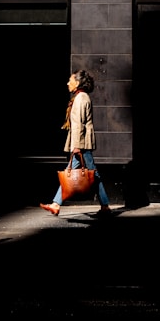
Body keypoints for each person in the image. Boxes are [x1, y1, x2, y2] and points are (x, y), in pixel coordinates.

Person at [40, 69, 112, 217]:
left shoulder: (80, 99)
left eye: (70, 80)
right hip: (82, 143)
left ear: (77, 83)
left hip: (82, 144)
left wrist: (77, 146)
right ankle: (57, 204)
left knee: (91, 174)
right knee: (87, 173)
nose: (68, 83)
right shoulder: (81, 97)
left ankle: (57, 204)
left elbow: (79, 124)